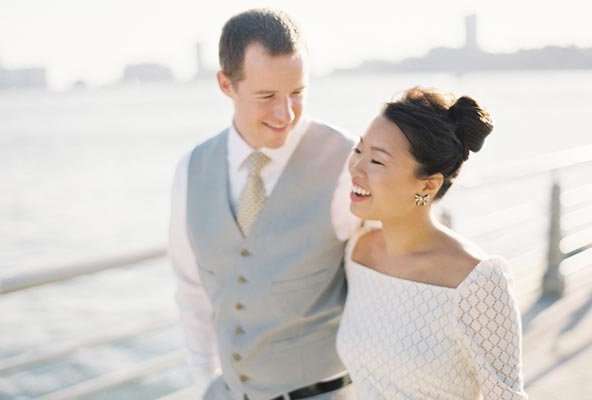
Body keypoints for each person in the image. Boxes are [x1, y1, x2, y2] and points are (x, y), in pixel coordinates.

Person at [169, 8, 360, 400]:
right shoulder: (191, 169)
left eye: (297, 93)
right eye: (267, 96)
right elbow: (191, 292)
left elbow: (377, 289)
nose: (285, 113)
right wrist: (205, 382)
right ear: (226, 84)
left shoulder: (345, 160)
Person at [336, 87, 528, 399]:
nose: (356, 168)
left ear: (428, 184)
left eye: (377, 161)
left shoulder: (477, 282)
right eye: (359, 150)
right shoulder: (358, 249)